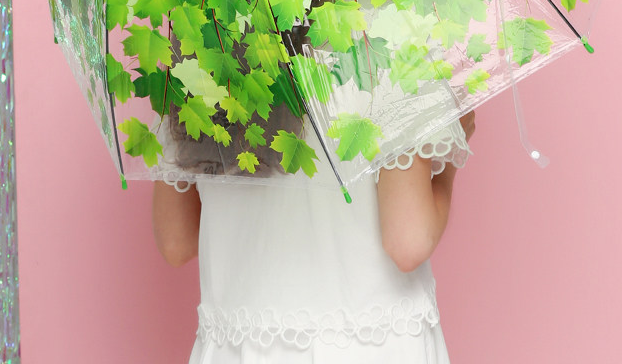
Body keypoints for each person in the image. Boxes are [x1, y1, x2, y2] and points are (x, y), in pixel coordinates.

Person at [152, 108, 476, 363]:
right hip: (371, 349)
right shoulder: (386, 56)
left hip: (238, 351)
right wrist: (446, 167)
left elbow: (176, 242)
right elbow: (408, 241)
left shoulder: (194, 66)